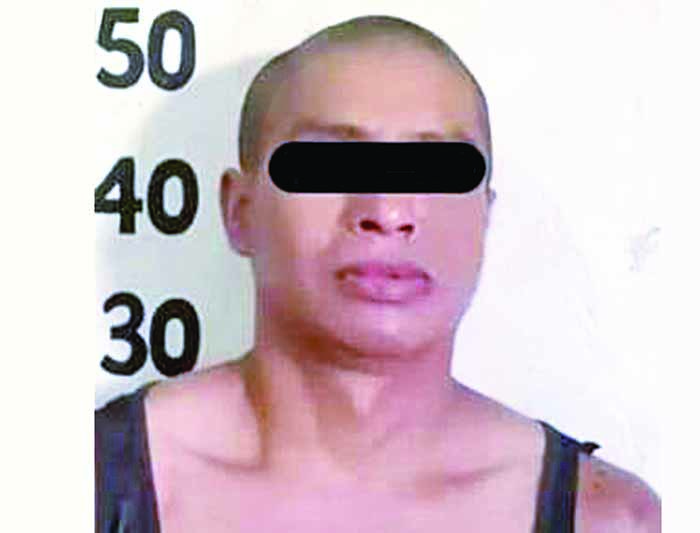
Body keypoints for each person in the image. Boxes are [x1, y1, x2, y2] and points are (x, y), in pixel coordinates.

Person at [95, 15, 661, 533]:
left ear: (484, 217)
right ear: (240, 210)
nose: (386, 211)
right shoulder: (82, 488)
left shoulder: (608, 518)